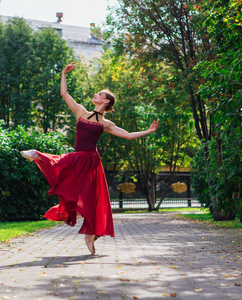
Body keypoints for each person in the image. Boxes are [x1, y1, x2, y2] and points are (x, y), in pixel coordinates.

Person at [20, 62, 158, 255]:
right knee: (61, 164)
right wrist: (63, 73)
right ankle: (37, 154)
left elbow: (127, 134)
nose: (96, 94)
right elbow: (64, 94)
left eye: (100, 94)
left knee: (92, 199)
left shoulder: (106, 123)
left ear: (106, 101)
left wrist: (149, 131)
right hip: (79, 157)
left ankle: (91, 234)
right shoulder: (81, 112)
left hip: (92, 162)